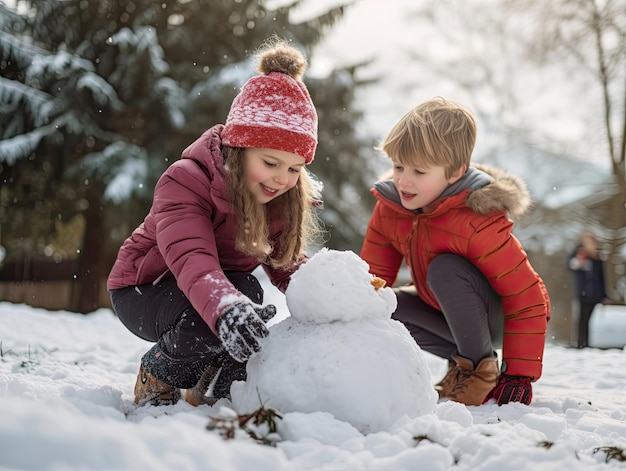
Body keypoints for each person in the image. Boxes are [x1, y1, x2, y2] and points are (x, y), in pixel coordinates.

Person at [107, 38, 323, 407]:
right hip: (145, 291)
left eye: (294, 168)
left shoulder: (276, 200)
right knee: (227, 309)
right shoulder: (186, 180)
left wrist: (334, 294)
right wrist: (225, 308)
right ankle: (160, 372)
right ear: (238, 150)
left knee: (247, 301)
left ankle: (218, 392)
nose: (281, 179)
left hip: (212, 295)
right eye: (270, 163)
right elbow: (193, 260)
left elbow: (286, 265)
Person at [360, 97, 551, 407]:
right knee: (383, 304)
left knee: (445, 269)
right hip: (446, 312)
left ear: (455, 172)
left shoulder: (478, 218)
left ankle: (480, 372)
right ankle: (464, 362)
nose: (404, 180)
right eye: (398, 166)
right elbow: (371, 279)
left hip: (498, 317)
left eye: (420, 172)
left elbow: (527, 297)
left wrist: (519, 373)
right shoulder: (392, 208)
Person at [567, 231, 608, 348]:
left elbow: (602, 277)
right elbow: (570, 265)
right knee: (581, 319)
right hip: (582, 293)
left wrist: (604, 294)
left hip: (595, 293)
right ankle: (581, 343)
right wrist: (578, 263)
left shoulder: (597, 257)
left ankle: (589, 343)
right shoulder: (578, 253)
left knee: (591, 320)